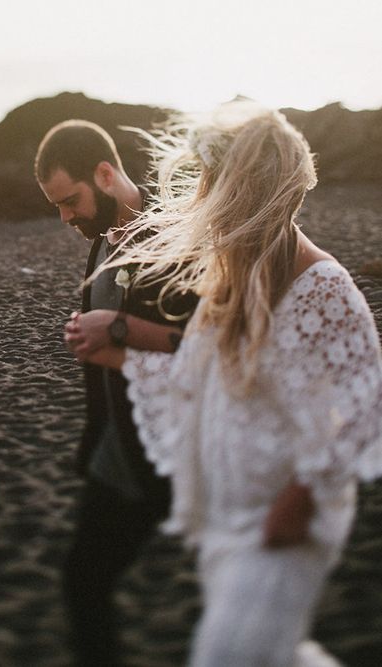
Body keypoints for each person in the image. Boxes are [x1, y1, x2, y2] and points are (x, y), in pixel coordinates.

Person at [64, 100, 382, 666]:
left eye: (216, 181)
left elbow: (364, 399)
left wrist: (303, 495)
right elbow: (204, 375)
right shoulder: (237, 277)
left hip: (281, 524)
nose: (205, 196)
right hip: (227, 519)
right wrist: (120, 358)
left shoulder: (322, 285)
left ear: (255, 188)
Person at [35, 119, 196, 666]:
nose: (66, 217)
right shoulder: (102, 238)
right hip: (116, 451)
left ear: (105, 174)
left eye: (71, 200)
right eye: (57, 206)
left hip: (179, 451)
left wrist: (119, 331)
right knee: (83, 581)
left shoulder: (177, 237)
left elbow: (212, 344)